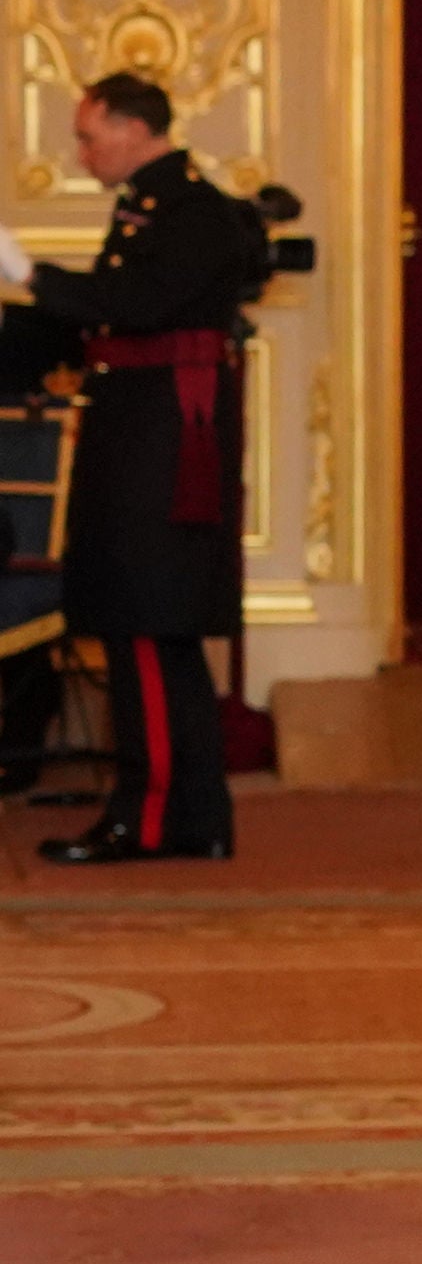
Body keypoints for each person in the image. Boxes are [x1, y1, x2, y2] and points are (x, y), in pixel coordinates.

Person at [15, 73, 268, 863]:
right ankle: (191, 815)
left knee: (150, 627)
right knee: (147, 631)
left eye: (90, 135)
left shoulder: (190, 208)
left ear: (133, 129)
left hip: (160, 451)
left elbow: (134, 305)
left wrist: (26, 273)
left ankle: (155, 818)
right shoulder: (151, 203)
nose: (81, 151)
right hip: (143, 442)